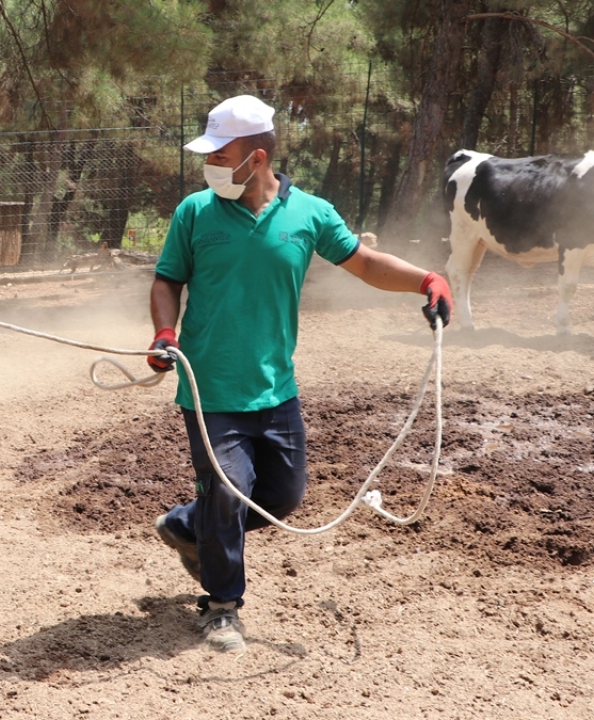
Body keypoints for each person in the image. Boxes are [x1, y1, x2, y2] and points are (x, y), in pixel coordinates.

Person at [147, 95, 451, 653]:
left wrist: (426, 280)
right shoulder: (194, 212)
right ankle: (221, 607)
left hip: (276, 387)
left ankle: (189, 526)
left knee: (282, 497)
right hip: (210, 387)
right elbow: (168, 280)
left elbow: (364, 263)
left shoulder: (310, 213)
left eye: (219, 155)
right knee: (229, 492)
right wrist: (165, 332)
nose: (208, 165)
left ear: (257, 157)